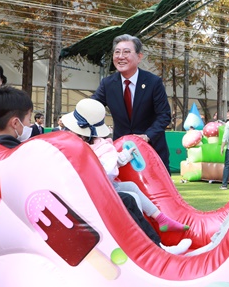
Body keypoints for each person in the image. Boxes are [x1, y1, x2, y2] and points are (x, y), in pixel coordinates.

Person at [62, 98, 191, 254]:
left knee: (131, 189)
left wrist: (124, 156)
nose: (69, 133)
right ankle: (156, 246)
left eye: (73, 131)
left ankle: (157, 236)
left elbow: (108, 169)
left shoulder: (100, 147)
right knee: (130, 198)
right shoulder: (69, 144)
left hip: (93, 192)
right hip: (82, 195)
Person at [92, 34, 172, 173]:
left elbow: (164, 115)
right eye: (117, 52)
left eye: (126, 52)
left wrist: (147, 136)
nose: (121, 56)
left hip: (152, 152)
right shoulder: (107, 84)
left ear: (139, 57)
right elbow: (91, 107)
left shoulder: (153, 82)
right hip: (121, 154)